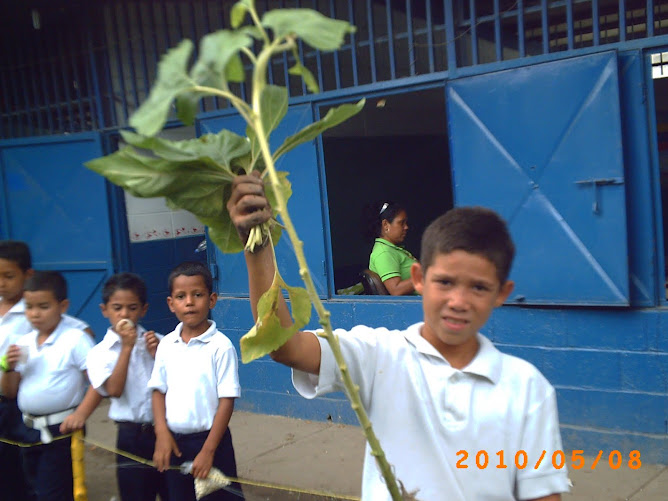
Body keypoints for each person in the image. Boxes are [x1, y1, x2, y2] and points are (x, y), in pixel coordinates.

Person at [226, 173, 570, 501]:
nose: (458, 301)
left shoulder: (528, 388)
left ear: (502, 293)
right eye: (445, 282)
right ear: (418, 278)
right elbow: (285, 347)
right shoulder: (380, 355)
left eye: (479, 287)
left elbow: (542, 493)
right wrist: (258, 250)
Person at [0, 241, 94, 501]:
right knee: (26, 485)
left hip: (59, 427)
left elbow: (98, 380)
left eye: (43, 307)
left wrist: (82, 413)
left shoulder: (72, 335)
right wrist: (8, 367)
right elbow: (10, 388)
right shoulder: (25, 341)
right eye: (31, 308)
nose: (35, 314)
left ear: (62, 307)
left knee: (54, 491)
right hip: (26, 424)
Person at [148, 261, 243, 500]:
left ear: (211, 300)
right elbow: (158, 390)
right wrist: (161, 433)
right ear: (171, 304)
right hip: (174, 443)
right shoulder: (167, 345)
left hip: (212, 441)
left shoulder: (220, 347)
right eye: (181, 296)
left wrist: (208, 451)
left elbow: (226, 401)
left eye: (197, 295)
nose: (189, 302)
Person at [82, 272, 168, 501]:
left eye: (132, 308)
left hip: (166, 431)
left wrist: (159, 354)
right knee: (136, 493)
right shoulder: (99, 353)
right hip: (131, 435)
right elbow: (113, 390)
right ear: (105, 310)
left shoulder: (158, 340)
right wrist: (127, 348)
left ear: (143, 310)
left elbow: (177, 382)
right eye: (117, 308)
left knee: (173, 490)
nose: (124, 314)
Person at [366, 201, 418, 295]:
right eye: (401, 223)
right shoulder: (384, 253)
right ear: (386, 225)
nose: (406, 227)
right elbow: (396, 290)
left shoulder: (391, 249)